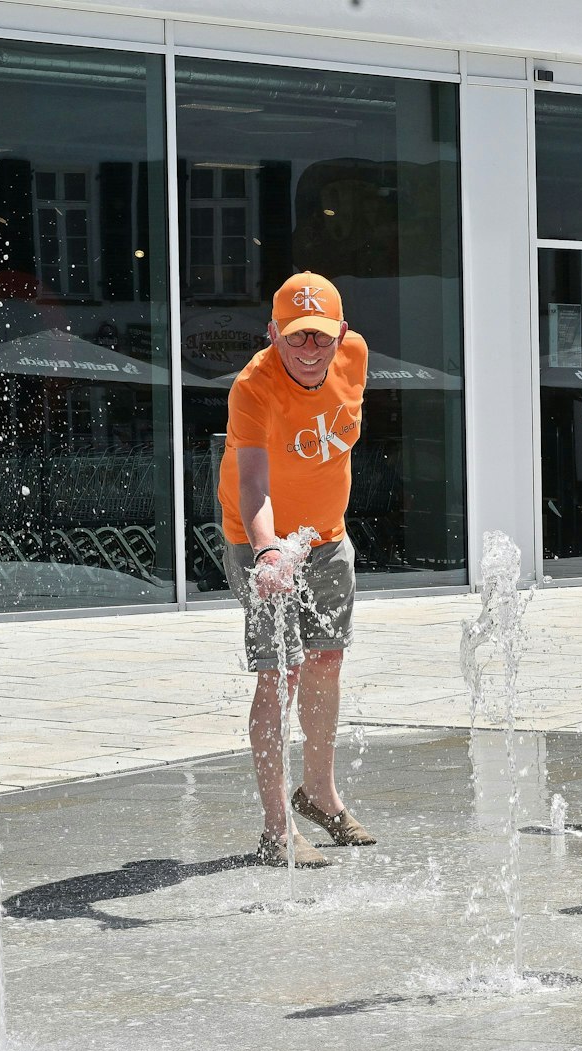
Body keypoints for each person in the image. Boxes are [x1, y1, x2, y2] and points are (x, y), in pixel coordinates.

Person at [217, 273, 377, 868]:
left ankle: (320, 796)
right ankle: (277, 830)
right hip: (261, 542)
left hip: (327, 537)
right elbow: (253, 483)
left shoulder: (354, 356)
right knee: (279, 673)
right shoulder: (253, 387)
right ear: (273, 334)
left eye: (320, 336)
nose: (310, 350)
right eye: (296, 337)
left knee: (326, 660)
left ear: (341, 333)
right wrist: (268, 551)